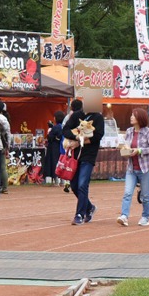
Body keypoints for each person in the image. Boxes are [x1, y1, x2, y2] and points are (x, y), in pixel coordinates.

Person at [63, 92, 105, 225]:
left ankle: (79, 215)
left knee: (82, 184)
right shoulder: (77, 115)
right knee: (74, 185)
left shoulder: (98, 117)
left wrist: (81, 141)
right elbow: (65, 130)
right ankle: (90, 207)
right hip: (75, 155)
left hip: (89, 156)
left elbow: (98, 136)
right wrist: (76, 137)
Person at [117, 108, 149, 227]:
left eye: (133, 115)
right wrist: (124, 149)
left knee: (145, 195)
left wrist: (139, 151)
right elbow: (126, 145)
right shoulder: (129, 131)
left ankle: (145, 216)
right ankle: (124, 216)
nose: (131, 117)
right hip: (131, 168)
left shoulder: (148, 132)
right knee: (127, 193)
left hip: (145, 168)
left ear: (140, 118)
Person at [44, 110, 66, 185]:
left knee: (54, 163)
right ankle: (63, 180)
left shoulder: (55, 128)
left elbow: (50, 137)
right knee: (62, 163)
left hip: (54, 148)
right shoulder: (64, 126)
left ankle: (56, 180)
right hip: (63, 148)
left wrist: (50, 130)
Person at [0, 102, 11, 194]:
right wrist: (8, 146)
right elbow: (8, 134)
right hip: (2, 145)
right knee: (2, 167)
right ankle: (5, 187)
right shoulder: (6, 119)